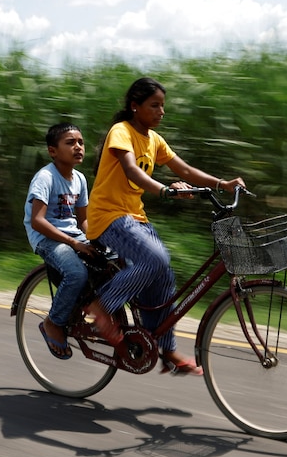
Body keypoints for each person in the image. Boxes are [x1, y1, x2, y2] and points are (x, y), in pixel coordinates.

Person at [86, 77, 246, 375]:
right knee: (156, 258)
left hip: (134, 217)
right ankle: (101, 307)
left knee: (163, 273)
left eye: (163, 106)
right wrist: (163, 189)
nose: (161, 111)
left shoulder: (154, 139)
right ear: (135, 107)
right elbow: (131, 169)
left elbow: (183, 169)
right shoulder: (121, 132)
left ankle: (165, 348)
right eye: (154, 105)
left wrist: (222, 184)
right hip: (107, 216)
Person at [24, 123, 97, 359]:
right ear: (52, 151)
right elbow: (37, 221)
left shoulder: (80, 179)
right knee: (76, 274)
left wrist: (95, 240)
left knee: (112, 261)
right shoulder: (45, 178)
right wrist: (75, 243)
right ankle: (53, 322)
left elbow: (83, 221)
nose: (78, 147)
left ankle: (85, 315)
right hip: (47, 238)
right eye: (70, 142)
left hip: (72, 235)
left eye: (81, 142)